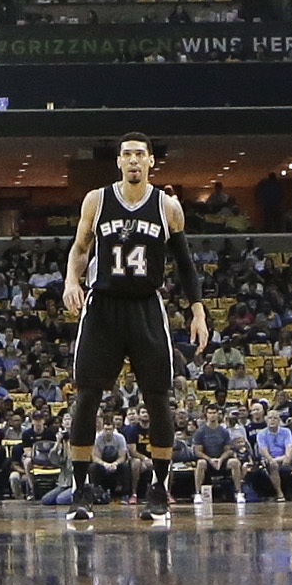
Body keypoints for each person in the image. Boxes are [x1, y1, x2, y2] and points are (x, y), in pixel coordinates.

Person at [59, 134, 209, 524]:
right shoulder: (96, 199)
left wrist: (198, 311)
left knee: (158, 398)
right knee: (87, 396)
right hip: (102, 305)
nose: (133, 161)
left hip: (146, 304)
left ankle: (159, 489)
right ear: (119, 162)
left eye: (140, 154)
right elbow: (80, 247)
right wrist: (71, 281)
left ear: (151, 162)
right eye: (127, 154)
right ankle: (81, 490)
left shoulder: (167, 206)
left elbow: (186, 263)